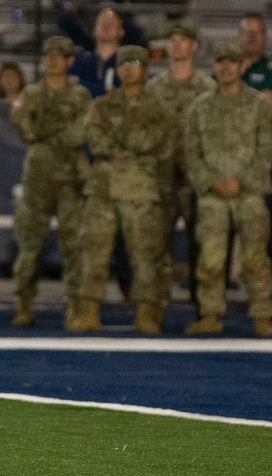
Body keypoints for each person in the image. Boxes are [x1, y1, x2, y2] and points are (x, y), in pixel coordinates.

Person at [69, 45, 174, 335]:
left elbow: (159, 142)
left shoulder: (157, 108)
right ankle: (88, 311)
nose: (129, 68)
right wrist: (132, 146)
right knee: (94, 252)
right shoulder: (102, 105)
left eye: (136, 62)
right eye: (124, 63)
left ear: (146, 69)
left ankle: (146, 314)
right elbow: (97, 140)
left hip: (140, 190)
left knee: (144, 255)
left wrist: (123, 145)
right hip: (103, 188)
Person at [184, 41, 272, 337]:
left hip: (248, 193)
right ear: (213, 66)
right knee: (210, 259)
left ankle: (262, 315)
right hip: (212, 194)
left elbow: (268, 150)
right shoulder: (200, 106)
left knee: (255, 259)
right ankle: (210, 313)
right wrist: (210, 181)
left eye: (232, 61)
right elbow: (191, 152)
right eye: (220, 61)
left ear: (242, 66)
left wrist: (243, 181)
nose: (225, 67)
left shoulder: (258, 104)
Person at [9, 37, 93, 328]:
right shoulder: (30, 93)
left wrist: (47, 131)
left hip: (71, 177)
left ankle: (76, 305)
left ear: (70, 61)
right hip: (38, 177)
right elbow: (23, 126)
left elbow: (80, 133)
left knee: (74, 244)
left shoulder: (81, 96)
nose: (53, 61)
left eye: (60, 56)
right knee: (29, 243)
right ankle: (23, 303)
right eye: (48, 55)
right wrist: (56, 131)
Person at [145, 22, 215, 304]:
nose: (176, 44)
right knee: (157, 246)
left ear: (194, 46)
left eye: (183, 40)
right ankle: (155, 307)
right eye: (171, 39)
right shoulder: (154, 88)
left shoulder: (207, 87)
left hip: (194, 180)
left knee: (200, 245)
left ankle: (203, 308)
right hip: (161, 178)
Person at [240, 12, 272, 277]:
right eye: (247, 32)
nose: (252, 37)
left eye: (258, 32)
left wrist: (237, 99)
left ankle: (264, 289)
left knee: (265, 229)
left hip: (267, 164)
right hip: (232, 163)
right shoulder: (229, 68)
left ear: (266, 38)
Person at [69, 8, 123, 97]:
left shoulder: (126, 61)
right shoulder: (81, 61)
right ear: (94, 30)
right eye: (103, 24)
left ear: (122, 31)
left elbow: (122, 92)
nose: (107, 27)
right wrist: (104, 89)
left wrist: (80, 83)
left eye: (111, 24)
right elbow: (68, 84)